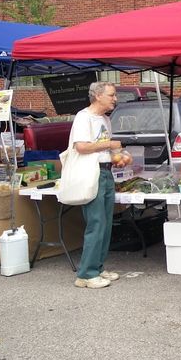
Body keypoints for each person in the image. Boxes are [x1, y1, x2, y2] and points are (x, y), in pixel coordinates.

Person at [70, 82, 123, 289]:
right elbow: (81, 147)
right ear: (98, 96)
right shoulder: (84, 117)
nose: (115, 99)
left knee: (106, 223)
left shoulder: (105, 120)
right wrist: (110, 145)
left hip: (105, 171)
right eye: (111, 95)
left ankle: (98, 268)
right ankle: (86, 274)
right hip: (91, 173)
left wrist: (117, 156)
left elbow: (100, 147)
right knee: (96, 222)